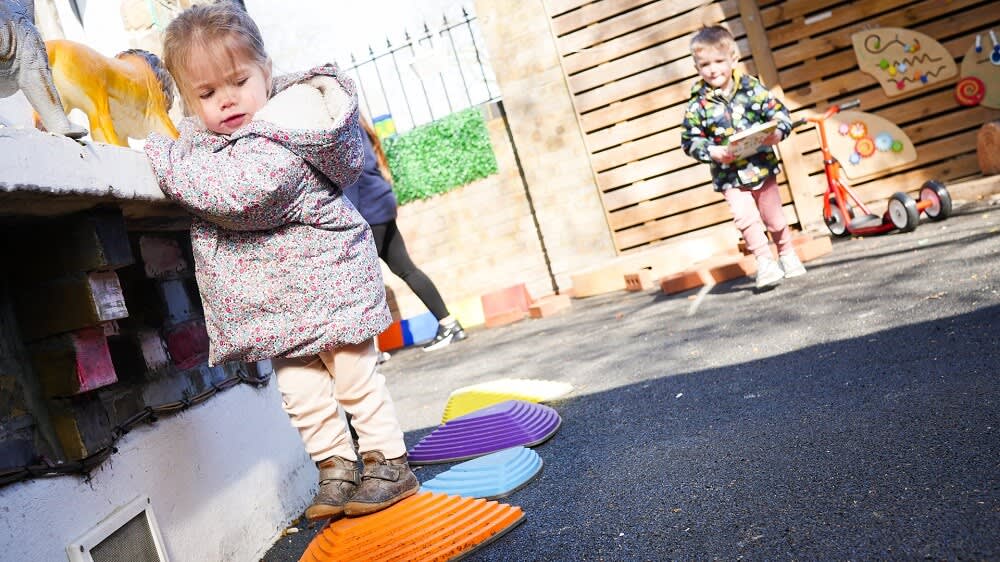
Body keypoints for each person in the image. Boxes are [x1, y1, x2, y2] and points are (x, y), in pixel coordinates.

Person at [143, 3, 418, 521]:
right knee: (301, 393)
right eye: (206, 93)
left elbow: (234, 194)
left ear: (266, 72)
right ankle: (336, 467)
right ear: (188, 100)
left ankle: (390, 463)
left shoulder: (284, 131)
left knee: (355, 379)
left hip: (329, 285)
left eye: (238, 81)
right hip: (277, 307)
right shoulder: (224, 143)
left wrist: (163, 152)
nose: (227, 100)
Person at [680, 25, 806, 290]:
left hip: (761, 166)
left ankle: (786, 254)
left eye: (718, 61)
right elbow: (689, 140)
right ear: (697, 67)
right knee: (744, 217)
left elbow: (780, 113)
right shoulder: (698, 104)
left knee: (775, 218)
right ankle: (764, 262)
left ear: (733, 59)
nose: (712, 69)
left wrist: (777, 132)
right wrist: (711, 151)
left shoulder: (751, 89)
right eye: (705, 64)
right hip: (728, 174)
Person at [343, 117, 467, 352]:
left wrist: (352, 218)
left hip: (369, 209)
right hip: (380, 202)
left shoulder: (344, 126)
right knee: (405, 269)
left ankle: (372, 353)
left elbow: (355, 174)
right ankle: (449, 324)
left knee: (362, 280)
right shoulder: (355, 122)